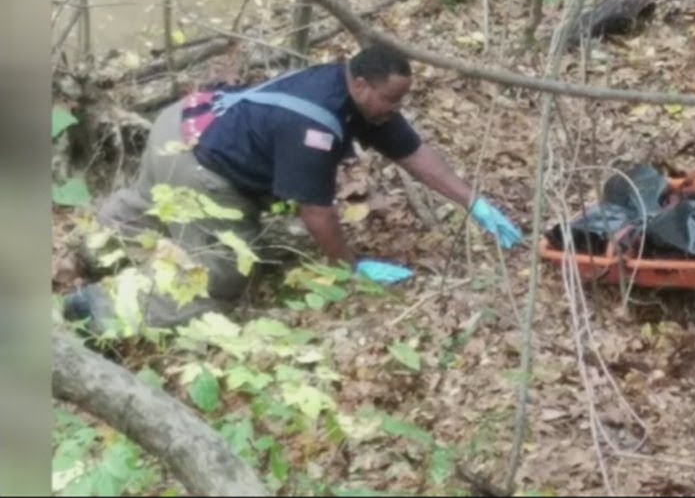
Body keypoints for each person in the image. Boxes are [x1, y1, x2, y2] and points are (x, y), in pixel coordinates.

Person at [64, 44, 524, 335]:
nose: (396, 108)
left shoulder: (359, 99)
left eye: (400, 99)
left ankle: (96, 245)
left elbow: (415, 153)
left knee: (148, 202)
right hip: (203, 166)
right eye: (391, 99)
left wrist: (474, 202)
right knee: (222, 273)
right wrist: (351, 270)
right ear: (362, 84)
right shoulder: (315, 124)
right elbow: (316, 213)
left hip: (182, 122)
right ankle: (96, 310)